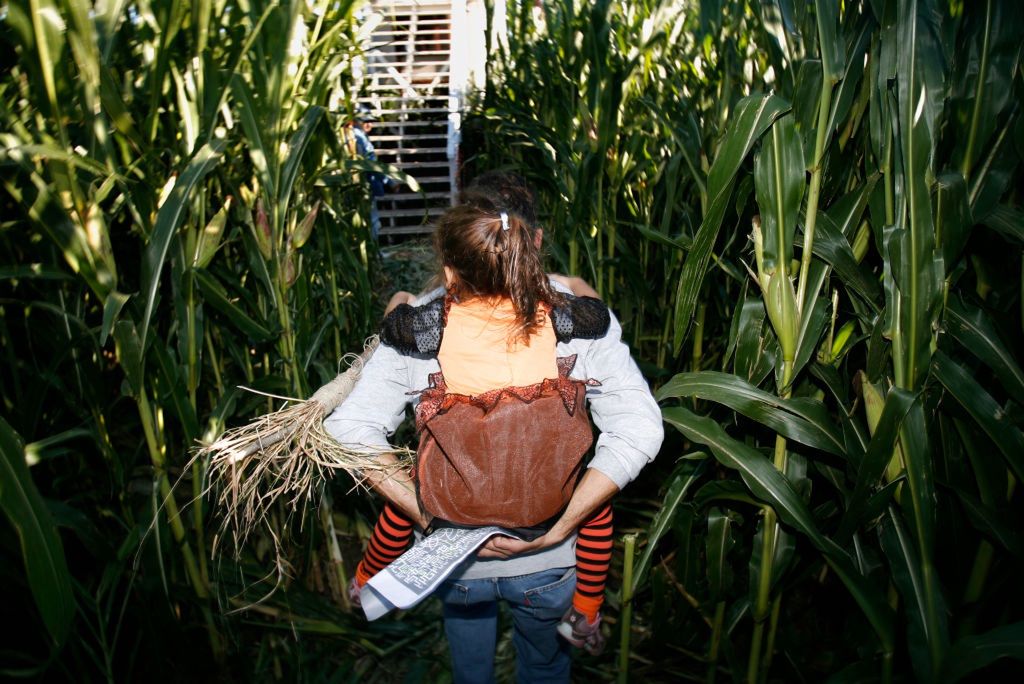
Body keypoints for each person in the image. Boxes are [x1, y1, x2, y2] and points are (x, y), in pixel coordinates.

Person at [325, 202, 662, 683]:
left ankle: (368, 583)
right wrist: (562, 524)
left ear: (448, 268)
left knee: (468, 658)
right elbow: (639, 426)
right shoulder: (575, 321)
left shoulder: (420, 328)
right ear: (531, 253)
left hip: (455, 564)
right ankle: (586, 609)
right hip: (546, 551)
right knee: (547, 662)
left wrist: (430, 517)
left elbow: (347, 428)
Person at [342, 104, 394, 239]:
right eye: (365, 121)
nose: (369, 124)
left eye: (370, 121)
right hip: (364, 185)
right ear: (354, 121)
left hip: (353, 185)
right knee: (372, 222)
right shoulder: (359, 138)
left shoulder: (351, 135)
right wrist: (388, 181)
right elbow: (372, 164)